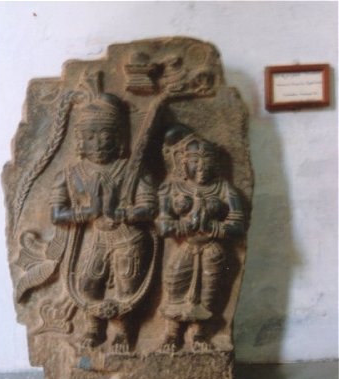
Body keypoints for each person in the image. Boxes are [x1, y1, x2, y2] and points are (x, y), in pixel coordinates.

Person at [50, 93, 157, 352]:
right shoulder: (71, 174)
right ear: (80, 141)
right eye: (90, 136)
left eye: (105, 135)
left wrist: (120, 213)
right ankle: (93, 329)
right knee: (86, 282)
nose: (98, 143)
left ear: (119, 138)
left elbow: (149, 208)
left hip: (128, 236)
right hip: (92, 235)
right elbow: (56, 214)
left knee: (126, 282)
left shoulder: (131, 171)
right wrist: (88, 211)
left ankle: (121, 331)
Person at [156, 124, 244, 352]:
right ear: (184, 163)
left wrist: (214, 228)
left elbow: (238, 224)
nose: (202, 167)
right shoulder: (172, 188)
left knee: (210, 288)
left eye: (207, 162)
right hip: (186, 244)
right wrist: (185, 225)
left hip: (213, 248)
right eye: (196, 161)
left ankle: (199, 334)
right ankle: (172, 333)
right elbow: (163, 225)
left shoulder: (223, 188)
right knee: (175, 282)